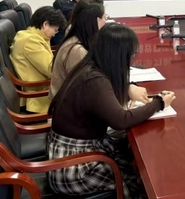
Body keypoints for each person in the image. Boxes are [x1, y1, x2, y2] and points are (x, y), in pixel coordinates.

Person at [48, 23, 175, 198]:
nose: (131, 60)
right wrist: (158, 103)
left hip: (75, 153)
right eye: (130, 55)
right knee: (139, 180)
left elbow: (104, 99)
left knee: (133, 161)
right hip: (74, 169)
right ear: (118, 55)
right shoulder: (94, 81)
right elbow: (121, 120)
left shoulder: (89, 68)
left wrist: (128, 88)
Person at [10, 6, 67, 113]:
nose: (55, 34)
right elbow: (52, 70)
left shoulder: (26, 35)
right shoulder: (32, 41)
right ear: (45, 24)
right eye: (55, 30)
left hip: (40, 90)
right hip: (38, 98)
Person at [49, 0, 107, 99]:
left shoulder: (79, 39)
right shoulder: (76, 50)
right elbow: (84, 88)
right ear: (97, 21)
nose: (106, 22)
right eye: (105, 18)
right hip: (67, 104)